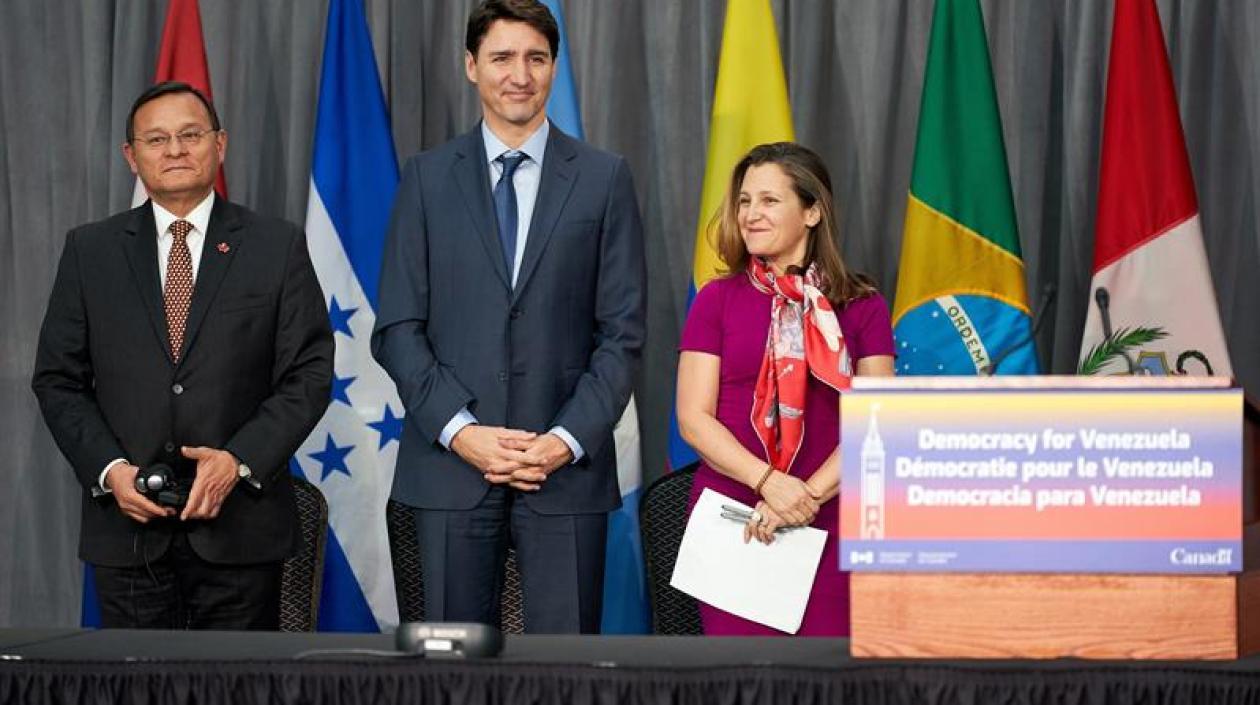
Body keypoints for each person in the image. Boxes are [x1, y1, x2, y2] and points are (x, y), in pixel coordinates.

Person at [371, 0, 645, 633]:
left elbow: (623, 333)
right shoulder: (426, 178)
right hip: (450, 467)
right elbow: (398, 328)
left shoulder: (605, 179)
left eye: (536, 58)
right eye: (501, 58)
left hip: (565, 472)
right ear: (472, 66)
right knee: (452, 671)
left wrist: (562, 441)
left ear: (552, 67)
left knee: (564, 669)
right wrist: (462, 431)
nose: (519, 74)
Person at [31, 81, 333, 629]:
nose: (174, 150)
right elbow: (58, 380)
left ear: (220, 144)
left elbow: (308, 375)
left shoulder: (275, 244)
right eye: (157, 139)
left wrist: (237, 461)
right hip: (127, 532)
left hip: (240, 528)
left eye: (190, 135)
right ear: (132, 155)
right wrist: (111, 470)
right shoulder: (89, 251)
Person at [676, 142, 895, 636]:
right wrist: (769, 484)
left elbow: (879, 420)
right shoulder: (716, 301)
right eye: (745, 201)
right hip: (738, 523)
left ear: (813, 211)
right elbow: (693, 417)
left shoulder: (863, 306)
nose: (751, 214)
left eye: (769, 201)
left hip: (836, 522)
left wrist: (803, 498)